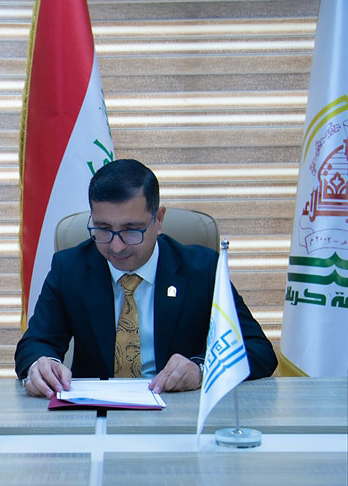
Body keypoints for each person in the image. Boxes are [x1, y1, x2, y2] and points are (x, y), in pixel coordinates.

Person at [15, 158, 276, 398]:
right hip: (96, 411)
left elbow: (258, 350)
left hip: (178, 410)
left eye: (131, 230)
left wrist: (202, 368)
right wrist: (42, 364)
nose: (116, 247)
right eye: (103, 229)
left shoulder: (202, 269)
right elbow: (35, 344)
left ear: (158, 220)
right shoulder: (70, 268)